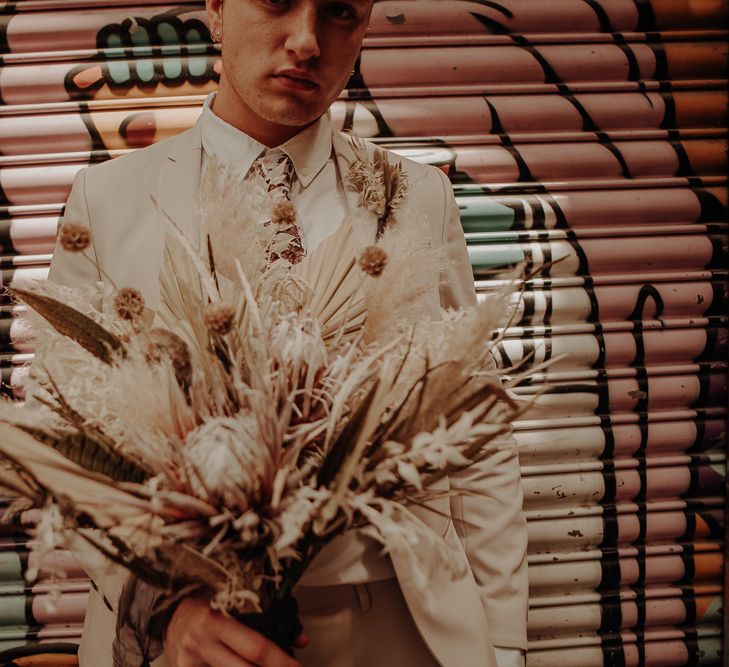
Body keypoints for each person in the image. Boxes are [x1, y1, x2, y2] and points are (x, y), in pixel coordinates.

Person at [40, 0, 529, 664]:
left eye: (338, 13)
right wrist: (163, 608)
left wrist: (501, 645)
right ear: (215, 9)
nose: (305, 40)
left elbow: (473, 429)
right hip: (192, 635)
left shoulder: (417, 197)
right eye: (275, 1)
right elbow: (68, 444)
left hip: (395, 624)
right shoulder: (107, 197)